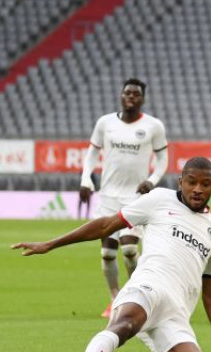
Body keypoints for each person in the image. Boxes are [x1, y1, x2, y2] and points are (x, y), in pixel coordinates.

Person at [12, 157, 211, 352]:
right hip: (148, 287)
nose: (197, 189)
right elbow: (106, 225)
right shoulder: (159, 199)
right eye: (191, 181)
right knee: (125, 324)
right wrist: (50, 244)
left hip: (176, 315)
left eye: (205, 184)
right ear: (180, 182)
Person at [80, 78, 169, 318]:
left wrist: (151, 180)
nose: (131, 97)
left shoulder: (153, 126)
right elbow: (91, 154)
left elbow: (162, 160)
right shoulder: (105, 123)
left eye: (136, 94)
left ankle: (139, 297)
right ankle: (115, 299)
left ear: (142, 99)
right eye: (127, 93)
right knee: (107, 253)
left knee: (129, 249)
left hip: (135, 198)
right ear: (121, 96)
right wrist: (86, 179)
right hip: (108, 198)